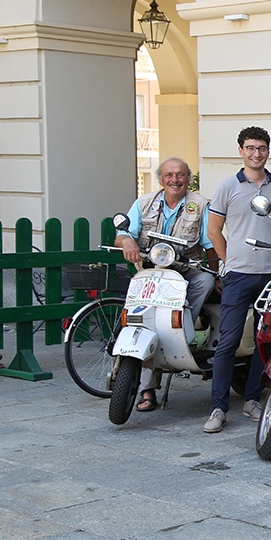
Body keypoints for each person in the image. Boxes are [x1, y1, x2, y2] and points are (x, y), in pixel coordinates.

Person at [202, 127, 271, 433]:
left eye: (263, 148)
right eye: (251, 148)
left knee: (263, 341)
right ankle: (218, 407)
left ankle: (252, 399)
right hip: (239, 275)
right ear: (241, 150)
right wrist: (231, 260)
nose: (257, 154)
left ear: (268, 151)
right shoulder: (227, 187)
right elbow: (214, 231)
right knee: (227, 341)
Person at [116, 157, 216, 413]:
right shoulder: (144, 202)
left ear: (188, 179)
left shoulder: (200, 204)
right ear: (161, 179)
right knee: (144, 321)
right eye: (169, 175)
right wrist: (127, 242)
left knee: (205, 280)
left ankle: (181, 325)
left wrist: (219, 274)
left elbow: (209, 243)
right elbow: (123, 232)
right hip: (151, 271)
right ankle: (146, 388)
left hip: (185, 271)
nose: (175, 180)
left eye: (180, 175)